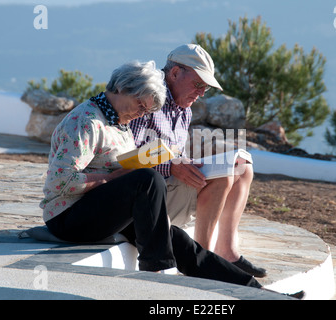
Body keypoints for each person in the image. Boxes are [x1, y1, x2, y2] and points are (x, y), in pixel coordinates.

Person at [40, 60, 263, 289]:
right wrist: (114, 178)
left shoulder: (119, 121)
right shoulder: (86, 122)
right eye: (139, 105)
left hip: (99, 211)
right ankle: (155, 272)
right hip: (67, 217)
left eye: (146, 110)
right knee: (147, 179)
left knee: (179, 241)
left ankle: (255, 289)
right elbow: (60, 182)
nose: (140, 114)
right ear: (122, 88)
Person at [130, 44, 267, 278]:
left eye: (206, 87)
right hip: (146, 199)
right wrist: (171, 165)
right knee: (223, 174)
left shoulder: (184, 108)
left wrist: (181, 162)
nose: (202, 92)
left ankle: (227, 252)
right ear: (174, 74)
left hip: (166, 189)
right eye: (199, 84)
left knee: (242, 165)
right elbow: (127, 157)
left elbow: (169, 152)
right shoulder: (147, 97)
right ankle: (202, 261)